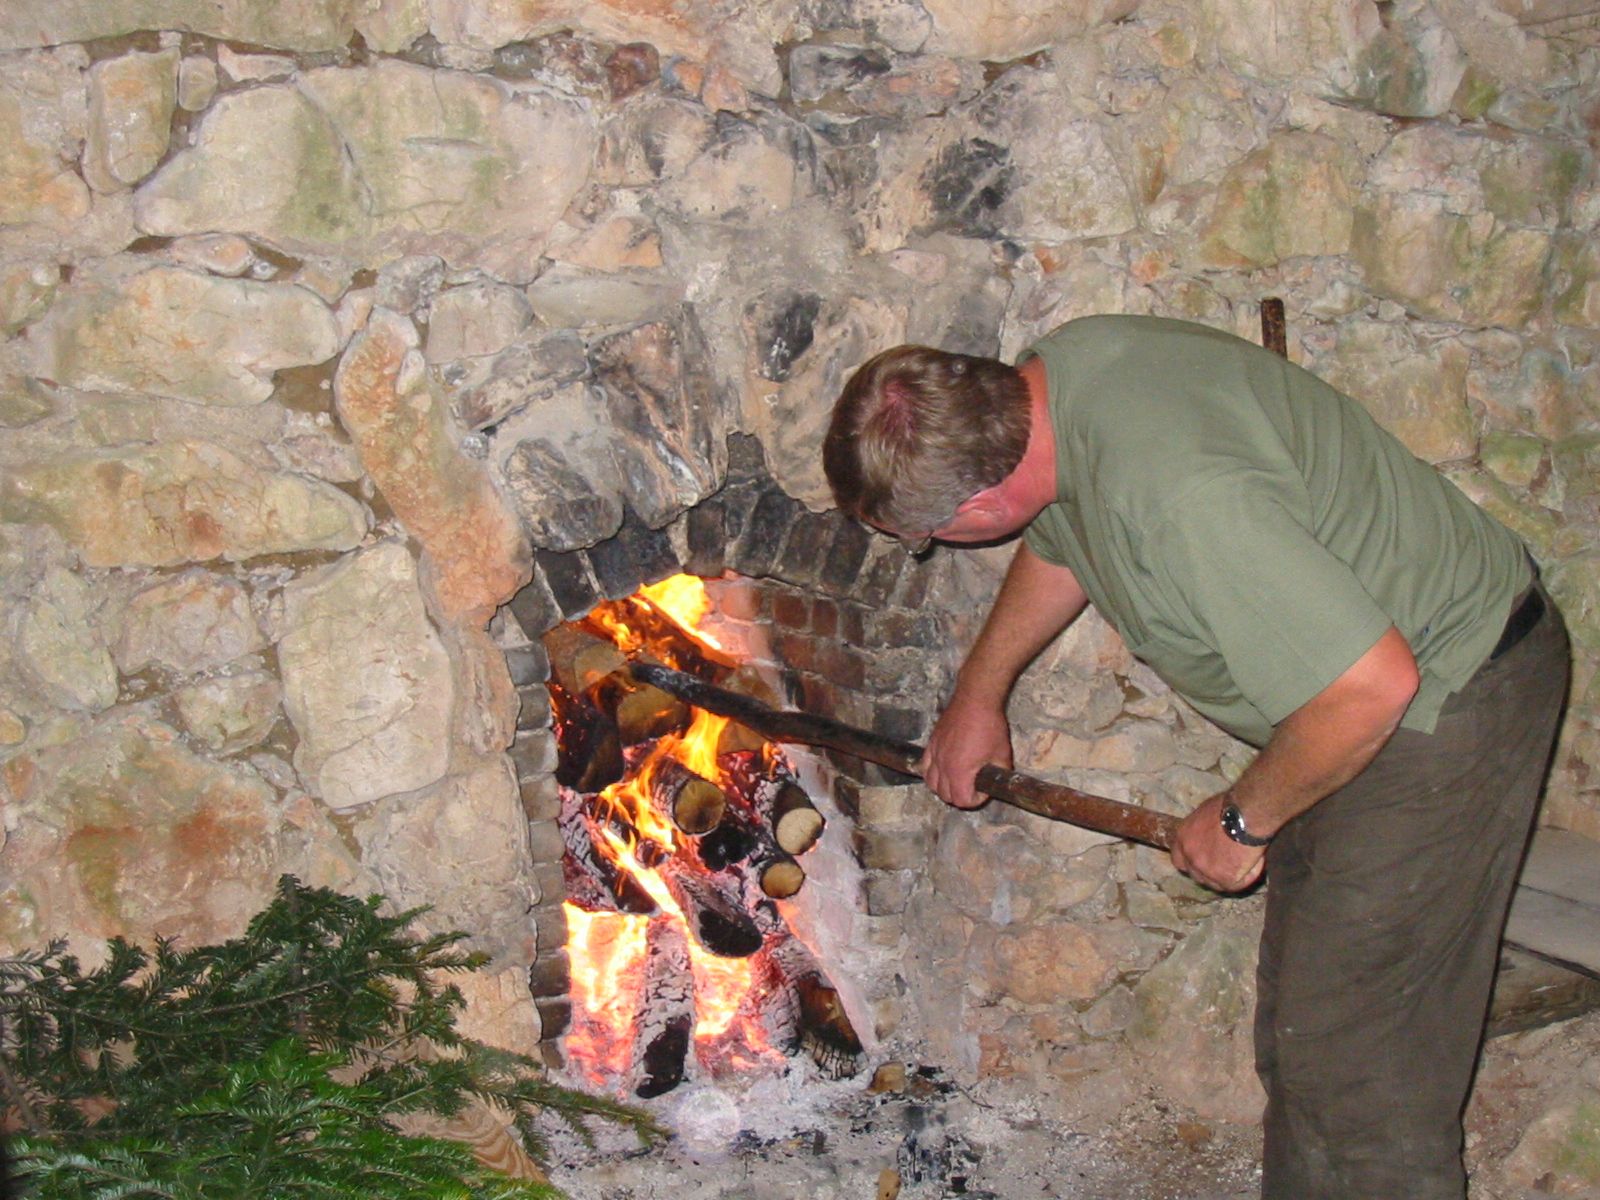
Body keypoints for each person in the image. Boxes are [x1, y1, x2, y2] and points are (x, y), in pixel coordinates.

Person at [822, 314, 1569, 1200]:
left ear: (980, 505)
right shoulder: (1054, 391)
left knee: (1363, 1064)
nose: (932, 548)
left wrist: (1244, 818)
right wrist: (978, 694)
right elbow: (1065, 541)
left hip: (1445, 700)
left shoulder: (1179, 496)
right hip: (1346, 704)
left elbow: (1370, 687)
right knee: (1304, 1028)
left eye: (926, 536)